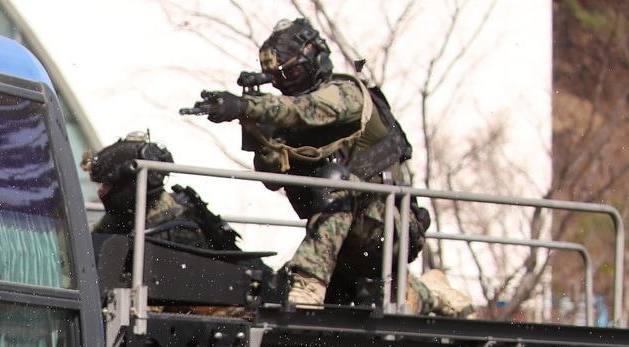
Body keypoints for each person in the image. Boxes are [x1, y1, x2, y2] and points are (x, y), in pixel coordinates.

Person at [187, 18, 470, 316]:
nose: (287, 84)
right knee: (272, 297)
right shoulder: (295, 121)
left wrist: (247, 107)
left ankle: (309, 283)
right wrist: (256, 127)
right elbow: (272, 176)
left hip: (388, 229)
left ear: (314, 60)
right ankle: (427, 290)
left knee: (338, 183)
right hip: (338, 244)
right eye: (279, 78)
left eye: (292, 73)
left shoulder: (346, 93)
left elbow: (306, 111)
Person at [84, 132, 242, 252]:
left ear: (129, 187)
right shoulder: (126, 215)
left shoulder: (175, 227)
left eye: (106, 184)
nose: (101, 191)